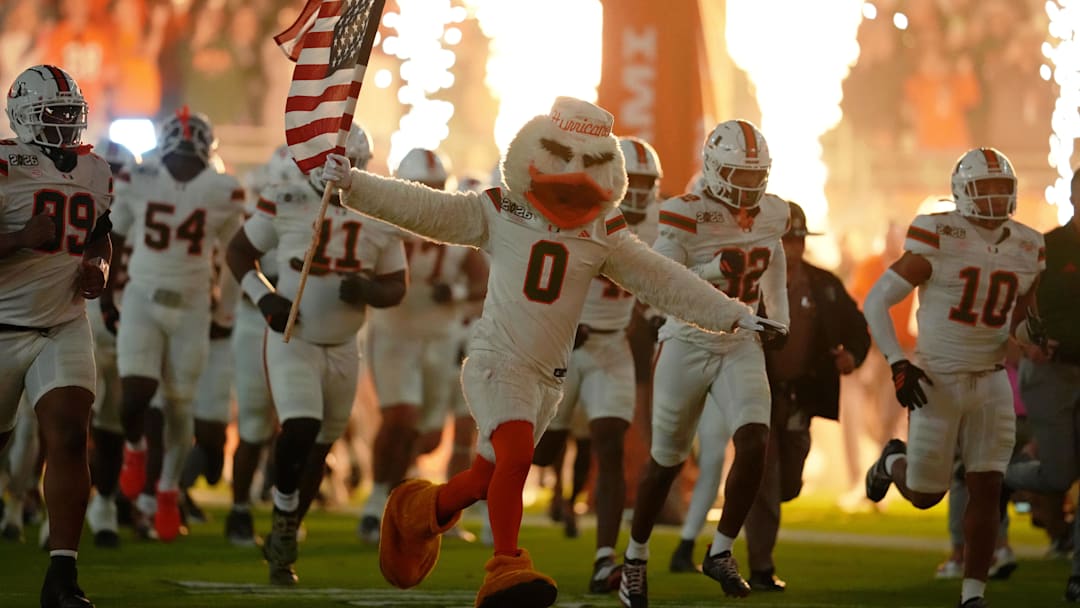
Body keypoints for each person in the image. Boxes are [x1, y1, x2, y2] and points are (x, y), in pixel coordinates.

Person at [321, 97, 784, 608]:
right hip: (498, 359)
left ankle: (416, 512)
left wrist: (733, 314)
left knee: (486, 477)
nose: (573, 176)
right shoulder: (500, 208)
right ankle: (506, 568)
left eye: (588, 163)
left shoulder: (604, 230)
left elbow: (663, 280)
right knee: (517, 455)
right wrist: (354, 186)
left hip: (548, 377)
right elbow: (427, 209)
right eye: (561, 157)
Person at [862, 147, 1044, 608]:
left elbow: (1019, 318)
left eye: (1002, 188)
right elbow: (877, 300)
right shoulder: (938, 234)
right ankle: (891, 464)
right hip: (936, 378)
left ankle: (972, 595)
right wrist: (897, 363)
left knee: (988, 486)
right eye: (985, 188)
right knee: (926, 494)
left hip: (990, 377)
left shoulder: (1028, 245)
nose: (995, 197)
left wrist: (1033, 336)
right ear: (963, 192)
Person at [618, 119, 790, 606]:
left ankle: (720, 550)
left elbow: (773, 261)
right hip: (686, 342)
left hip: (739, 343)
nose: (749, 186)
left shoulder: (772, 212)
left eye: (756, 176)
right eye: (739, 174)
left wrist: (779, 319)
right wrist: (717, 269)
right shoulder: (683, 213)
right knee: (664, 463)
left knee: (755, 439)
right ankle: (634, 558)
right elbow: (662, 282)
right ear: (714, 169)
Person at [226, 146, 407, 586]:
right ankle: (285, 515)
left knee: (322, 446)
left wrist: (368, 289)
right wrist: (265, 296)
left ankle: (285, 529)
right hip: (294, 339)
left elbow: (396, 286)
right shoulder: (286, 198)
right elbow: (238, 253)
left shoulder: (378, 211)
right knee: (301, 427)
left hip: (344, 345)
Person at [1, 64, 115, 608]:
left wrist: (99, 267)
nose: (67, 126)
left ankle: (62, 577)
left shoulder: (97, 170)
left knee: (70, 436)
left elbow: (99, 238)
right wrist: (20, 237)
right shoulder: (3, 164)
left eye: (73, 115)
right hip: (2, 326)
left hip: (64, 322)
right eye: (55, 116)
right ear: (25, 117)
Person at [104, 107, 245, 543]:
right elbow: (118, 237)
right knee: (136, 395)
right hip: (143, 297)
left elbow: (237, 254)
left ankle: (167, 487)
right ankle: (134, 449)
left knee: (180, 404)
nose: (185, 159)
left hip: (191, 305)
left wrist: (225, 311)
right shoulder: (139, 177)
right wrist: (109, 292)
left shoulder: (223, 189)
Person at [535, 135, 664, 593]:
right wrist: (562, 322)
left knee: (610, 443)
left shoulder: (657, 223)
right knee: (542, 452)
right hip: (562, 345)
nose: (643, 191)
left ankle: (605, 557)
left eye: (649, 182)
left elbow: (662, 279)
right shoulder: (576, 212)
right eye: (637, 181)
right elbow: (543, 274)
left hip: (612, 348)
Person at [358, 148, 487, 543]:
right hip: (395, 331)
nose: (426, 195)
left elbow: (483, 285)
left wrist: (459, 289)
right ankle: (376, 502)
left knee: (428, 435)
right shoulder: (381, 220)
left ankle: (403, 501)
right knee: (400, 418)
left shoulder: (459, 229)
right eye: (420, 186)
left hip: (440, 336)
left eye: (433, 188)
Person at [742, 201, 869, 589]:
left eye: (796, 240)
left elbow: (858, 327)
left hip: (801, 396)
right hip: (758, 392)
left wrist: (853, 356)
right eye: (784, 240)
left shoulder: (824, 284)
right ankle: (761, 567)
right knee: (763, 477)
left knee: (789, 483)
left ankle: (756, 515)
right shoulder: (748, 281)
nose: (791, 249)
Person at [224, 141, 308, 547]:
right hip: (255, 322)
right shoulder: (265, 210)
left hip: (301, 329)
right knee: (255, 423)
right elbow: (238, 261)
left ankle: (282, 505)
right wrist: (266, 294)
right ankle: (240, 510)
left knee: (295, 423)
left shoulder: (315, 209)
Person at [1004, 166, 1080, 602]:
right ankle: (999, 477)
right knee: (1058, 474)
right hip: (1052, 373)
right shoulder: (1047, 248)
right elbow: (1010, 310)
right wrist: (1024, 346)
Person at [85, 138, 138, 548]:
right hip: (87, 314)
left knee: (111, 420)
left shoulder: (141, 203)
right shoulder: (81, 200)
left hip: (128, 319)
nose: (117, 181)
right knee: (68, 418)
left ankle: (104, 499)